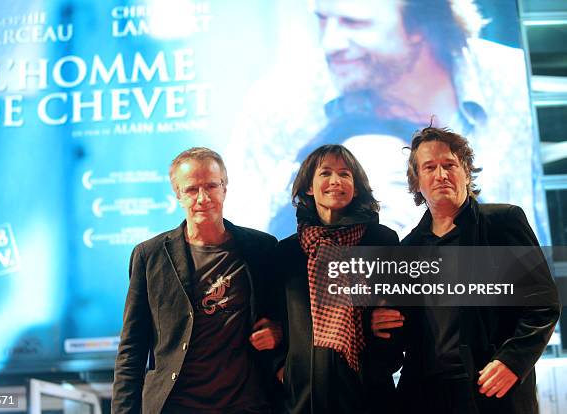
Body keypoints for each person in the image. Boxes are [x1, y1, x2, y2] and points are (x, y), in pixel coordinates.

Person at [227, 0, 547, 243]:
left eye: (355, 23)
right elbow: (250, 236)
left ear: (420, 25)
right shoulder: (280, 104)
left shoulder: (518, 84)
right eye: (323, 21)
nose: (331, 43)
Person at [372, 127, 560, 413]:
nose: (441, 175)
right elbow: (403, 334)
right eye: (430, 167)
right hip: (424, 395)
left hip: (491, 387)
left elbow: (542, 302)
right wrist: (380, 326)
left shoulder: (503, 222)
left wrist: (513, 360)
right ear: (417, 182)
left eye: (449, 165)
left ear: (466, 172)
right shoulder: (407, 249)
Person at [111, 147, 282, 414]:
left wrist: (279, 332)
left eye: (211, 186)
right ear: (178, 194)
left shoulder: (262, 248)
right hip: (175, 405)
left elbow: (284, 319)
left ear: (225, 188)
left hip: (247, 404)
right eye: (191, 189)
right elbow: (132, 347)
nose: (203, 198)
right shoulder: (150, 255)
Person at [274, 144, 402, 413]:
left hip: (367, 390)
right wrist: (283, 370)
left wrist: (381, 350)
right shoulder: (287, 252)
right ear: (309, 187)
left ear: (356, 186)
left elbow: (399, 313)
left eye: (345, 174)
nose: (336, 181)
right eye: (325, 173)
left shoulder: (382, 241)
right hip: (305, 397)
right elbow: (273, 319)